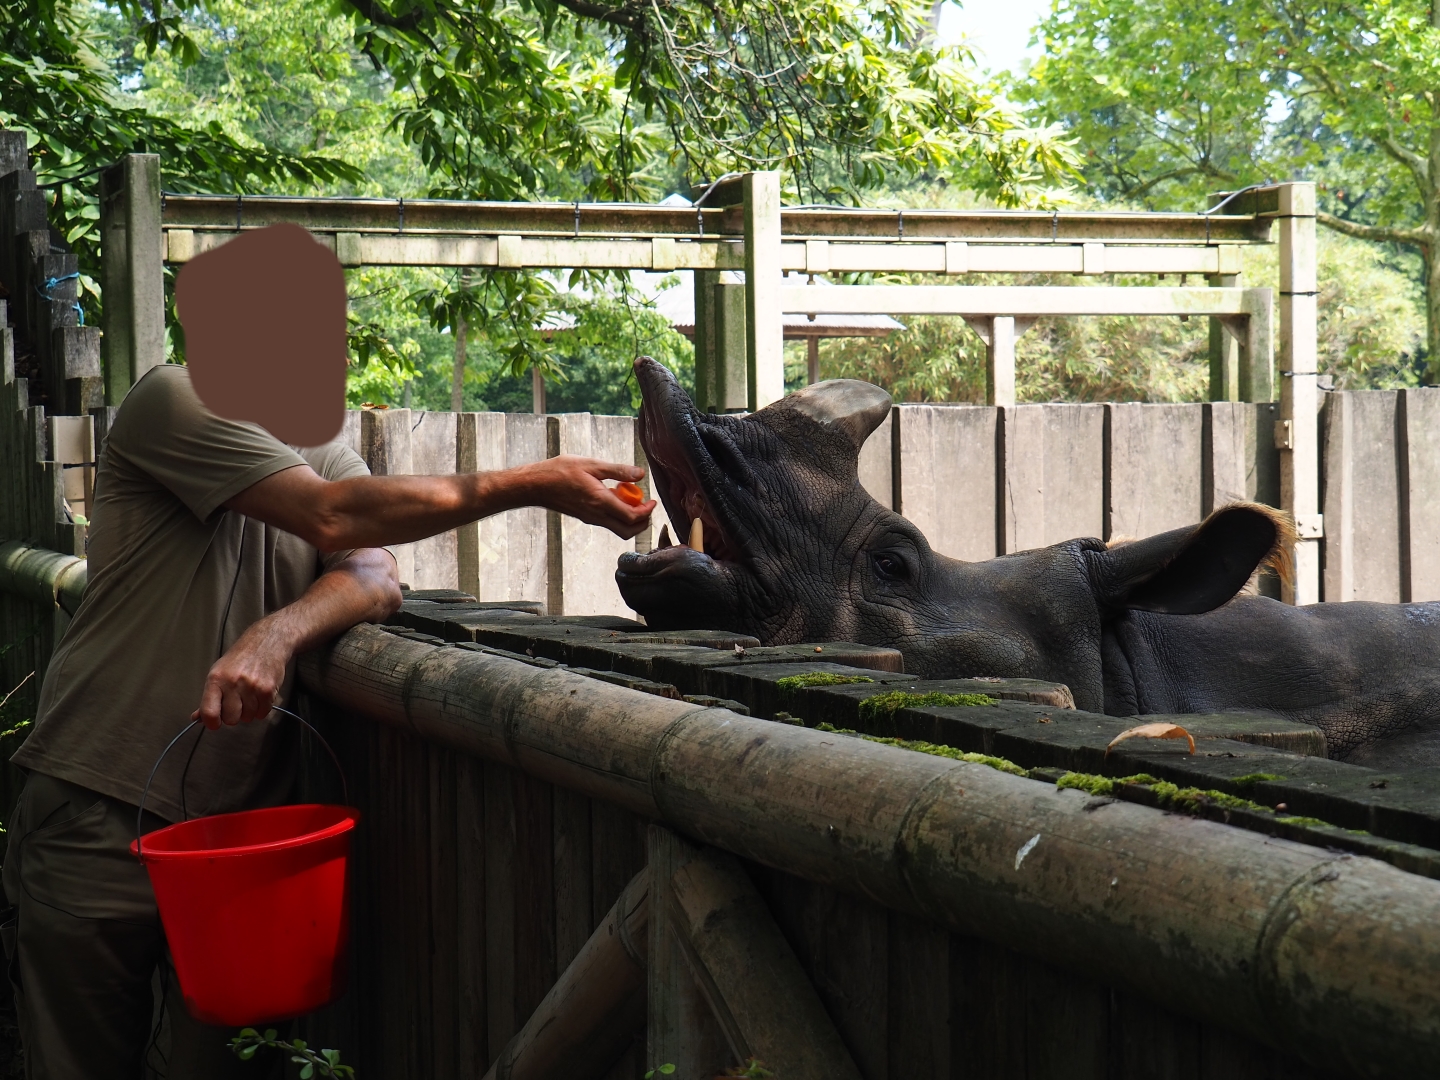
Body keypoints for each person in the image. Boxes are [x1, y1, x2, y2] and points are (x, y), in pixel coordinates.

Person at [0, 364, 652, 1079]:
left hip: (240, 842)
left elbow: (373, 576)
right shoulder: (175, 398)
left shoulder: (325, 447)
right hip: (98, 801)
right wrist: (535, 484)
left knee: (228, 1067)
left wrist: (275, 634)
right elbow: (330, 516)